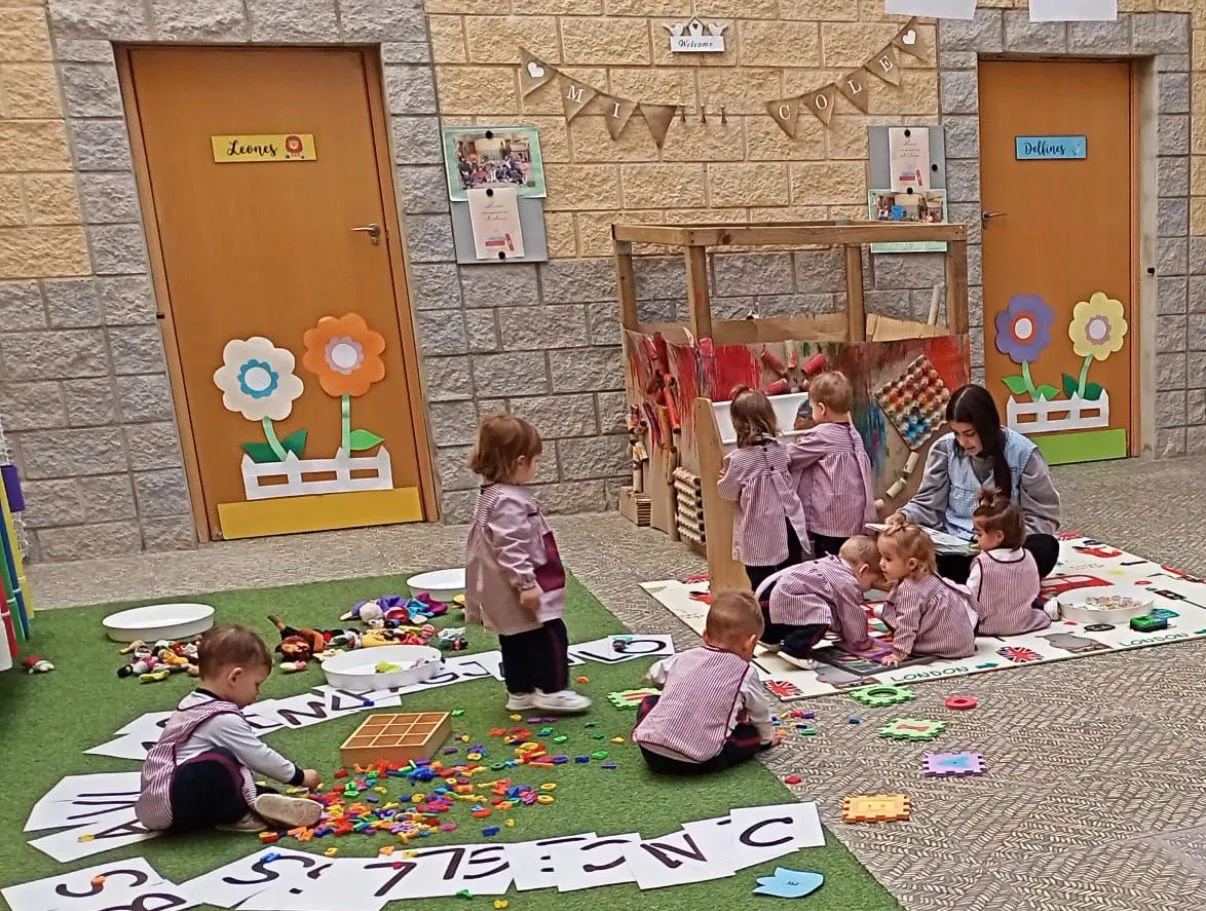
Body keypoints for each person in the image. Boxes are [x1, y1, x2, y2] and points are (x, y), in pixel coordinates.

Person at [135, 625, 322, 834]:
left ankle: (261, 800)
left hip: (175, 800)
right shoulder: (221, 719)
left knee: (237, 776)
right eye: (256, 684)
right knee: (219, 762)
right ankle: (236, 815)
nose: (258, 692)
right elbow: (258, 755)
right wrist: (299, 776)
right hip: (171, 804)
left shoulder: (195, 703)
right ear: (234, 677)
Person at [464, 413, 591, 714]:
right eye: (535, 461)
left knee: (513, 636)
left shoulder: (490, 492)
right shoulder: (508, 500)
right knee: (549, 633)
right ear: (519, 462)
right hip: (517, 585)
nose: (536, 468)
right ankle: (552, 690)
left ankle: (519, 690)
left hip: (497, 585)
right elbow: (510, 545)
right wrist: (526, 583)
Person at [885, 383, 1061, 582]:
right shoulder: (944, 449)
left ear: (987, 427)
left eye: (969, 434)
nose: (962, 442)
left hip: (1007, 553)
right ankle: (991, 579)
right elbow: (928, 503)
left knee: (1046, 547)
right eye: (956, 433)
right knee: (911, 551)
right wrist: (903, 516)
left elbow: (1042, 516)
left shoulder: (1024, 454)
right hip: (959, 551)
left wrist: (1004, 544)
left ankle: (990, 577)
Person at [632, 591, 778, 775]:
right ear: (750, 643)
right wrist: (766, 740)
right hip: (698, 761)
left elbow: (656, 674)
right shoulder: (746, 673)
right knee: (751, 734)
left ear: (706, 635)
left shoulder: (684, 657)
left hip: (652, 752)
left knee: (649, 702)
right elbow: (760, 712)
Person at [716, 386, 810, 591]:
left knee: (760, 580)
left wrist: (723, 478)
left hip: (758, 529)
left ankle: (766, 609)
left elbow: (727, 493)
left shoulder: (737, 460)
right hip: (787, 523)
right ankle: (791, 607)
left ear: (738, 424)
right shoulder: (780, 450)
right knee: (789, 576)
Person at [755, 535, 881, 669]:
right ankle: (796, 650)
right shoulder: (847, 582)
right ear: (863, 570)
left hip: (767, 590)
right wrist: (861, 641)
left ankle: (769, 638)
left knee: (795, 615)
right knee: (820, 614)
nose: (870, 589)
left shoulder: (828, 563)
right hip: (785, 594)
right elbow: (852, 615)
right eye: (873, 582)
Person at [788, 371, 878, 558]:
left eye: (812, 408)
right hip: (854, 518)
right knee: (848, 562)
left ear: (822, 409)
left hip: (830, 522)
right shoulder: (854, 434)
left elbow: (790, 457)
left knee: (828, 563)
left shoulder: (822, 435)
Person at [878, 525, 977, 667]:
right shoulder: (928, 575)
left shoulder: (910, 588)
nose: (881, 563)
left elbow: (907, 623)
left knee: (890, 615)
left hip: (942, 646)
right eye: (881, 556)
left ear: (912, 563)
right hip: (961, 643)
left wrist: (898, 653)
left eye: (888, 559)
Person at [968, 491, 1058, 636]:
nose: (977, 538)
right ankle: (1045, 609)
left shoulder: (982, 563)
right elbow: (1034, 590)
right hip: (1022, 622)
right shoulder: (1027, 556)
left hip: (984, 625)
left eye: (979, 534)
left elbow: (970, 596)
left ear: (998, 536)